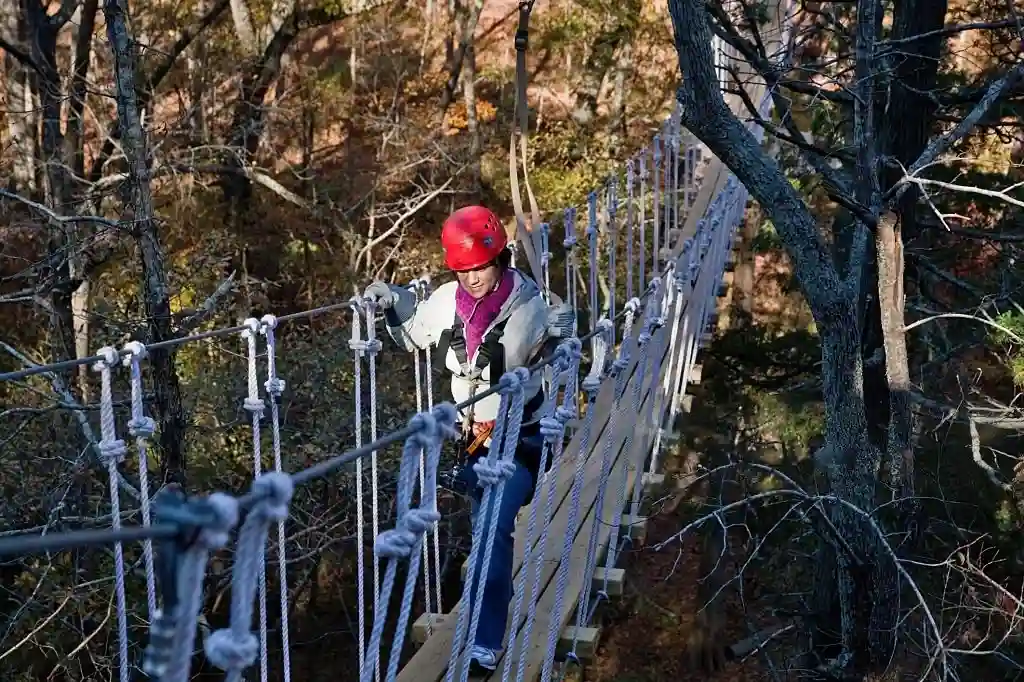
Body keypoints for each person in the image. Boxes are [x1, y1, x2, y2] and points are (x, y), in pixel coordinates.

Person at [363, 205, 573, 672]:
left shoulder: (533, 305)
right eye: (462, 270)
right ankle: (488, 608)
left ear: (499, 259)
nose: (473, 278)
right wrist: (393, 298)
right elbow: (413, 335)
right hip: (472, 445)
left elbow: (565, 359)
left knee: (494, 528)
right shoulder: (443, 301)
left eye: (480, 267)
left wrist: (563, 334)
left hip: (522, 439)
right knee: (485, 533)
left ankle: (485, 638)